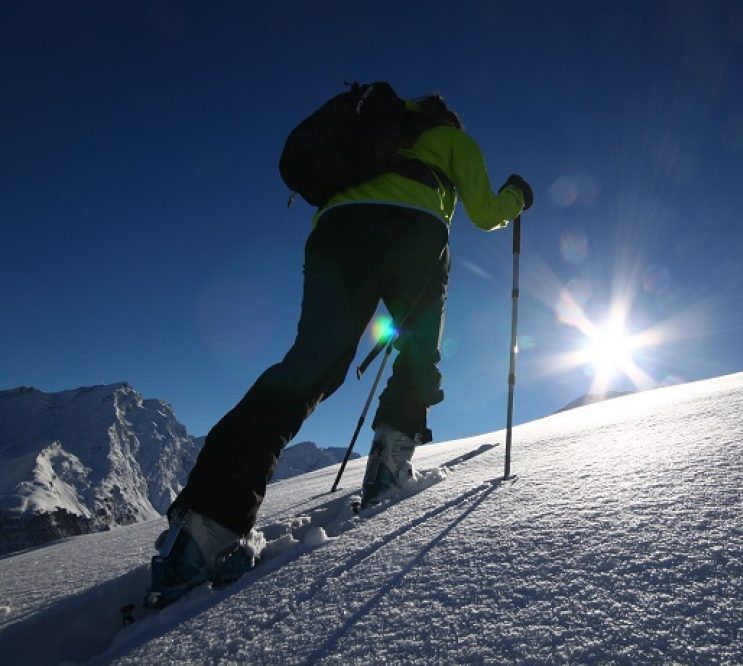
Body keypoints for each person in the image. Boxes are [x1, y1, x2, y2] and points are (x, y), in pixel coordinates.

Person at [147, 93, 532, 603]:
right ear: (449, 121)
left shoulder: (371, 134)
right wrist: (516, 197)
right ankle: (389, 467)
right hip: (415, 233)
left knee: (312, 363)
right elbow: (485, 213)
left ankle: (203, 529)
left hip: (338, 231)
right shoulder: (452, 140)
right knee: (418, 351)